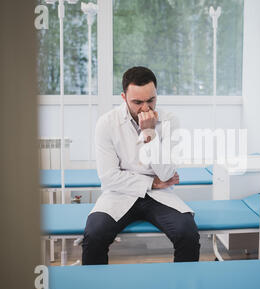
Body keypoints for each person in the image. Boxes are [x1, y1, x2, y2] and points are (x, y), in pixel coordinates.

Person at [82, 66, 200, 265]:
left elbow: (167, 172)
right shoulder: (107, 123)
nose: (145, 108)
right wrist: (152, 182)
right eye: (137, 102)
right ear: (123, 97)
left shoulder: (170, 120)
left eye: (150, 101)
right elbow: (109, 177)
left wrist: (150, 134)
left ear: (156, 95)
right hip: (119, 193)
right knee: (94, 235)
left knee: (187, 233)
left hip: (159, 197)